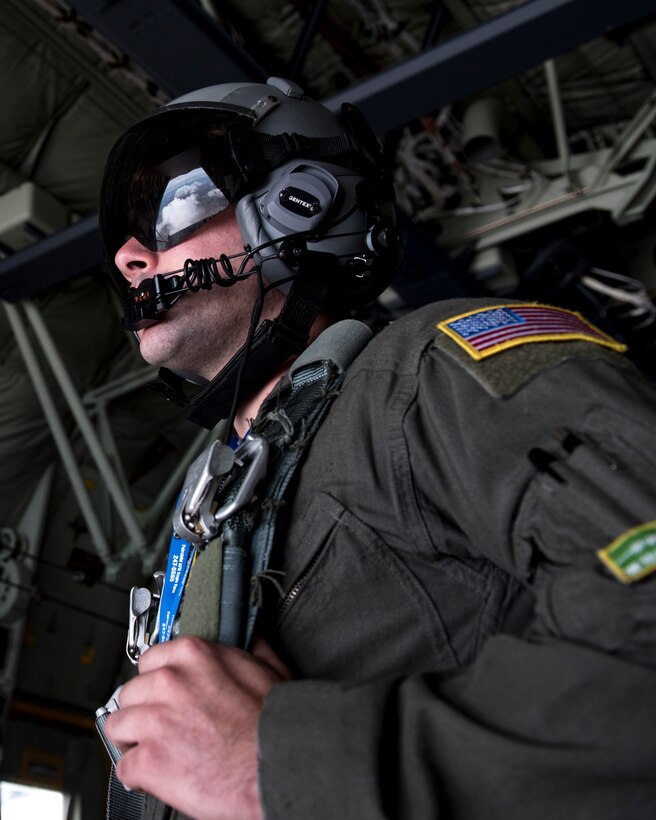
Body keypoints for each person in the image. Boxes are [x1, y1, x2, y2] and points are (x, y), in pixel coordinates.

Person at [98, 77, 656, 819]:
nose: (129, 256)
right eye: (123, 234)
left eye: (170, 206)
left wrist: (281, 763)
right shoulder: (212, 503)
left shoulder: (429, 374)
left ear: (298, 201)